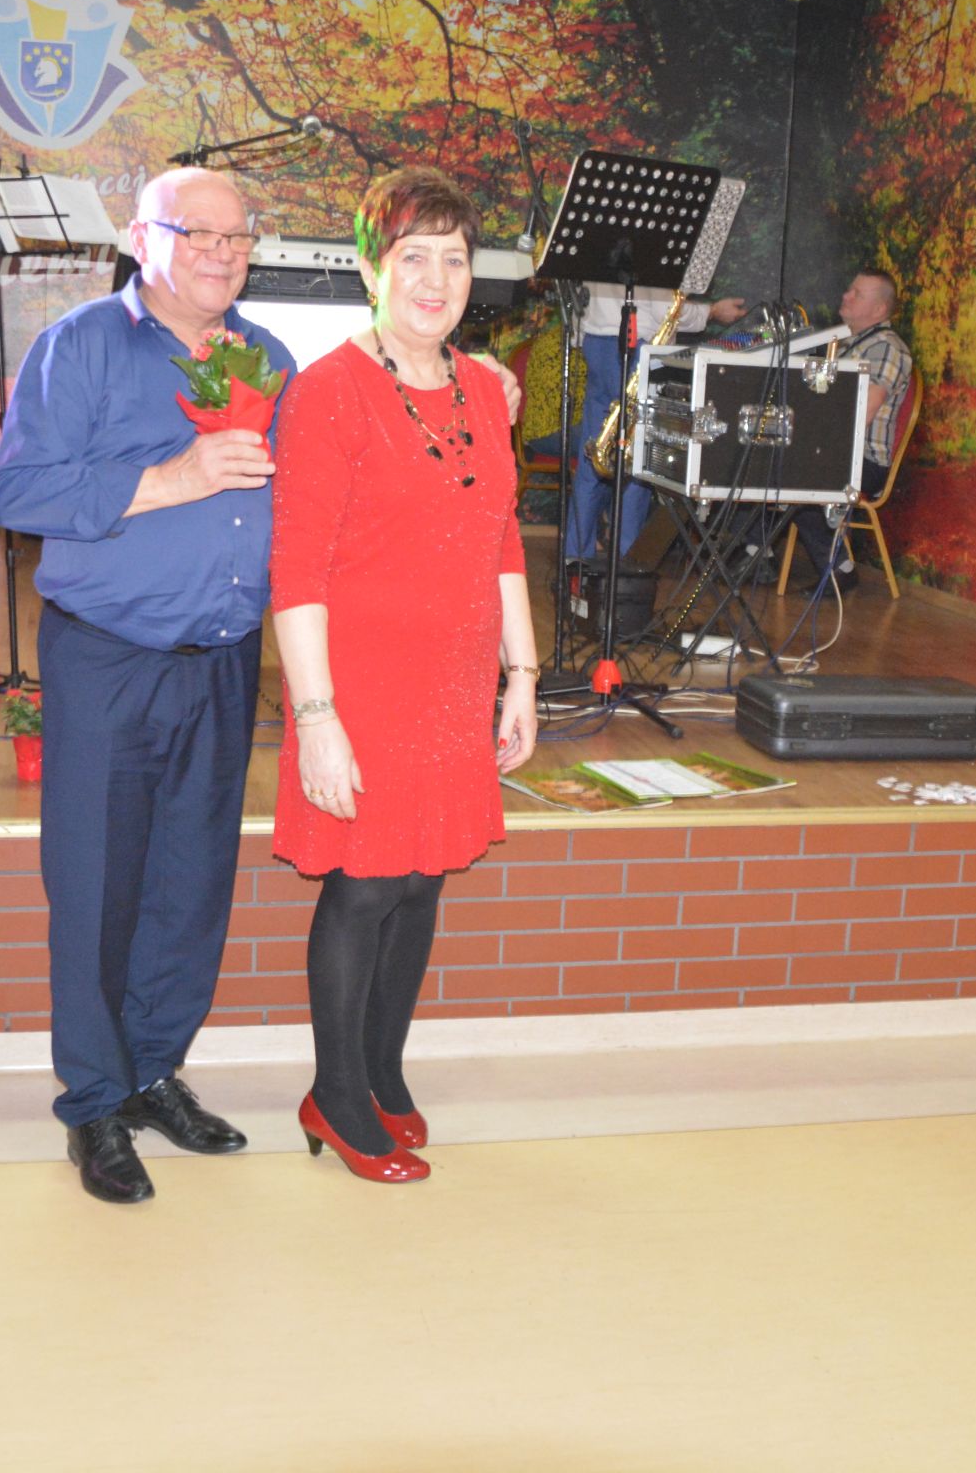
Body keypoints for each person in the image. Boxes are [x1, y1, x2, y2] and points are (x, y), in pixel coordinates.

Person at [0, 167, 287, 1205]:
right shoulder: (80, 346)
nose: (221, 252)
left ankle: (154, 1071)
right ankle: (94, 1103)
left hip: (224, 662)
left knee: (190, 887)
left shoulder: (267, 357)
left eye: (237, 236)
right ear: (138, 237)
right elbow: (18, 491)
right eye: (195, 231)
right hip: (109, 660)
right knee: (97, 889)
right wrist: (174, 478)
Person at [268, 167, 540, 1182]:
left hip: (453, 684)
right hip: (363, 686)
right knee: (368, 884)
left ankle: (381, 1073)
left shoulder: (485, 389)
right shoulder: (329, 391)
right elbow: (296, 571)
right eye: (412, 256)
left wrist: (521, 675)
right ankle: (335, 1095)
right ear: (369, 269)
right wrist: (318, 717)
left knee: (423, 881)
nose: (435, 279)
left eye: (454, 259)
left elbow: (500, 537)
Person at [565, 281, 748, 563]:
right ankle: (628, 561)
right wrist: (711, 311)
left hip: (595, 341)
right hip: (635, 345)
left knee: (594, 452)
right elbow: (666, 308)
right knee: (637, 459)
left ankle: (575, 558)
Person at [786, 269, 915, 594]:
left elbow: (861, 414)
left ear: (879, 309)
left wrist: (805, 436)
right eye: (849, 289)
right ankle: (753, 553)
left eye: (857, 294)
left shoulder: (886, 348)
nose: (846, 296)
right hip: (833, 451)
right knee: (761, 456)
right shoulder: (846, 342)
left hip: (863, 461)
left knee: (791, 471)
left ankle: (840, 568)